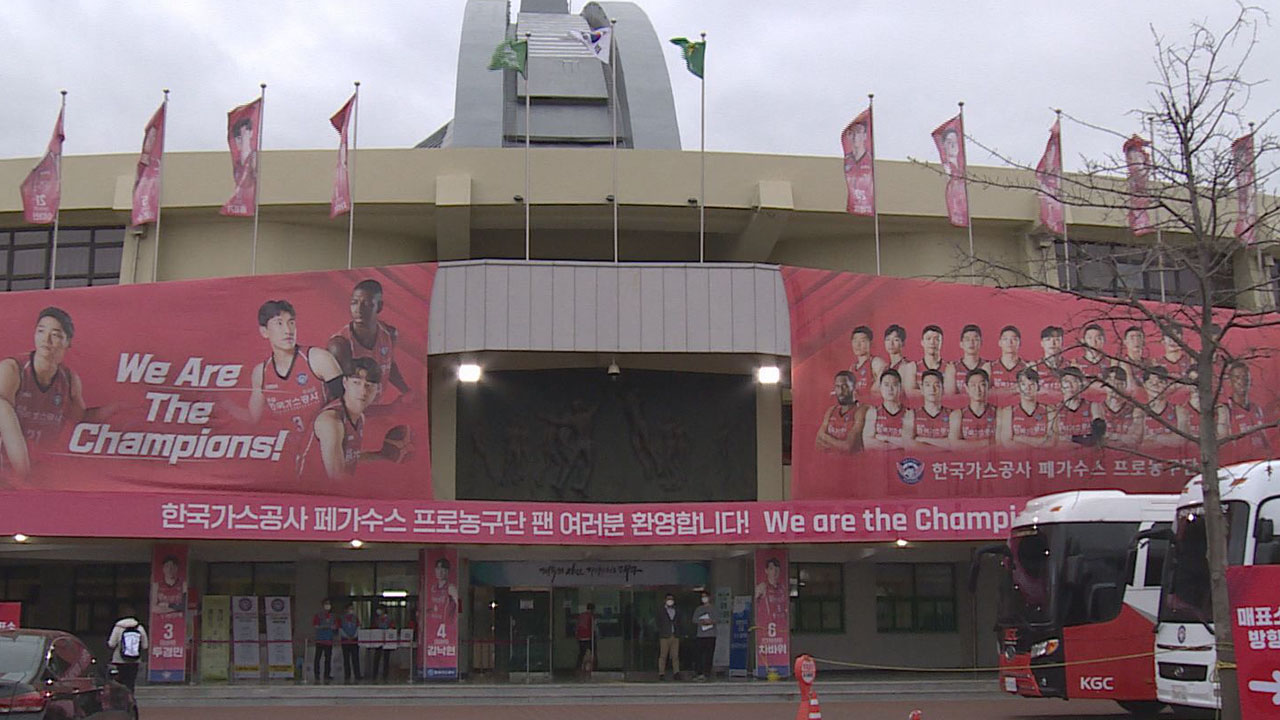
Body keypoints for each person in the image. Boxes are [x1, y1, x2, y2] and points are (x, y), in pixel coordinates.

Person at [247, 300, 342, 470]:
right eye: (279, 323)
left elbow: (349, 407)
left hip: (330, 451)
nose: (287, 330)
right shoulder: (261, 373)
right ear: (264, 332)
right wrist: (225, 406)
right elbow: (252, 420)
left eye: (291, 323)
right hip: (294, 458)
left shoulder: (318, 359)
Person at [0, 307, 87, 477]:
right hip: (10, 469)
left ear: (68, 342)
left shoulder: (69, 380)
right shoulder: (11, 370)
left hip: (43, 467)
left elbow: (81, 419)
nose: (46, 340)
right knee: (2, 406)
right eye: (41, 331)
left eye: (55, 334)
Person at [299, 358, 411, 480]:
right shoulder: (331, 422)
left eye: (369, 385)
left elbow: (349, 457)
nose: (363, 391)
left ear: (377, 389)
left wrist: (382, 455)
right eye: (356, 383)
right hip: (310, 490)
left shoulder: (359, 417)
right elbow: (336, 478)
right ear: (345, 382)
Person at [328, 280, 410, 398]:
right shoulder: (339, 344)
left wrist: (406, 391)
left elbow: (389, 365)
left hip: (377, 403)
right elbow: (341, 394)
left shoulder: (389, 334)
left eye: (366, 304)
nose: (358, 309)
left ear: (379, 306)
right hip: (355, 407)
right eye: (354, 303)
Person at [998, 368, 1053, 449]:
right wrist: (1039, 440)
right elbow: (1007, 442)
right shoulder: (1008, 411)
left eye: (1032, 384)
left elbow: (1051, 443)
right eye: (1023, 384)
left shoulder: (1049, 411)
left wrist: (1019, 438)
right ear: (1018, 388)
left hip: (1042, 456)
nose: (1028, 388)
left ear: (1038, 387)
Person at [1094, 366, 1143, 448]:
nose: (1115, 387)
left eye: (1119, 383)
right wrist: (1122, 438)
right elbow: (1095, 439)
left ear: (1125, 385)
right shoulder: (1097, 407)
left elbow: (1135, 440)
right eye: (1111, 383)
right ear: (1104, 385)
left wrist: (1110, 436)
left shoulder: (1135, 410)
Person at [815, 371, 865, 453]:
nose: (841, 391)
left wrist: (825, 437)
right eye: (837, 386)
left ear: (854, 387)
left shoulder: (861, 410)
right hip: (830, 460)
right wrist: (839, 445)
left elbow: (848, 447)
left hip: (852, 460)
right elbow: (818, 443)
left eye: (845, 386)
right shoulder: (831, 410)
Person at [862, 369, 912, 450]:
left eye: (894, 385)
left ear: (900, 388)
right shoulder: (873, 412)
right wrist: (896, 445)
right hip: (880, 457)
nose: (890, 389)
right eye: (886, 385)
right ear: (880, 388)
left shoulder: (909, 413)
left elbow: (909, 444)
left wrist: (883, 437)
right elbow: (867, 444)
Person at [906, 369, 955, 450]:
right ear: (922, 389)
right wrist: (943, 444)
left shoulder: (952, 414)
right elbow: (909, 444)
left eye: (937, 385)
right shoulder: (912, 414)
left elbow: (953, 444)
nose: (932, 389)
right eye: (928, 385)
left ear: (943, 388)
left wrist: (922, 439)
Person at [1225, 362, 1268, 451]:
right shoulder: (1226, 410)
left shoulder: (1257, 409)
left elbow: (1265, 440)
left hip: (1260, 458)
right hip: (1239, 459)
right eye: (1237, 377)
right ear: (1230, 382)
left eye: (1245, 377)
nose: (1241, 381)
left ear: (1250, 380)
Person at [951, 369, 998, 448]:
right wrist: (984, 443)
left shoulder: (998, 412)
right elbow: (954, 445)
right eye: (973, 385)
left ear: (988, 386)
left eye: (982, 385)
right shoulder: (958, 415)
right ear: (967, 388)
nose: (978, 389)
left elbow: (1000, 442)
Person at [108, 606, 148, 691]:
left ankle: (121, 698)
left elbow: (111, 644)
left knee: (119, 682)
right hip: (135, 660)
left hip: (119, 660)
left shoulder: (118, 628)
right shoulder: (140, 628)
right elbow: (145, 646)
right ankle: (130, 696)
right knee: (130, 682)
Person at [1141, 366, 1181, 448]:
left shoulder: (1178, 410)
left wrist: (1155, 438)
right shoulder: (1139, 411)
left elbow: (1181, 440)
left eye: (1160, 382)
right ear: (1144, 385)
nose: (1156, 386)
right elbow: (1135, 441)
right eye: (1151, 383)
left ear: (1167, 384)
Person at [1055, 368, 1096, 446]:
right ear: (1061, 386)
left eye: (1074, 381)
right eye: (1066, 381)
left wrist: (1071, 439)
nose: (1070, 385)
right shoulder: (1054, 409)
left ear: (1081, 384)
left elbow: (1098, 437)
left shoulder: (1092, 407)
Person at [949, 324, 989, 396]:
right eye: (967, 340)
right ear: (961, 344)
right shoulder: (953, 368)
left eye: (975, 339)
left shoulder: (987, 366)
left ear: (981, 343)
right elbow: (950, 396)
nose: (971, 343)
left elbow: (988, 395)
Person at [905, 325, 945, 395]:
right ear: (922, 342)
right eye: (928, 339)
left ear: (941, 342)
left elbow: (949, 393)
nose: (932, 342)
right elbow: (910, 393)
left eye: (936, 339)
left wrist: (923, 391)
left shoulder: (948, 368)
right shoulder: (913, 367)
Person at [871, 325, 909, 395]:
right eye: (888, 339)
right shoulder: (885, 367)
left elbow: (905, 392)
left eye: (896, 340)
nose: (891, 343)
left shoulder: (906, 366)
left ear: (903, 343)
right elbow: (874, 391)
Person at [988, 325, 1026, 396]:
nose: (1009, 342)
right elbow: (983, 393)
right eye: (1005, 339)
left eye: (1014, 339)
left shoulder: (1027, 367)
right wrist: (1012, 390)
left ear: (1020, 343)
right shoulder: (989, 367)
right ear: (999, 342)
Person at [656, 593, 682, 681]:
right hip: (664, 635)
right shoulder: (661, 610)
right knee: (663, 655)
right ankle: (661, 673)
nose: (670, 601)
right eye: (668, 599)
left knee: (675, 655)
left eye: (671, 599)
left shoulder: (677, 610)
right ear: (665, 600)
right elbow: (658, 622)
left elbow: (679, 622)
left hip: (675, 635)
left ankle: (676, 672)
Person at [1035, 326, 1066, 395]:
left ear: (1062, 343)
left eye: (1057, 339)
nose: (1053, 343)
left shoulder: (1070, 366)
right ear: (1042, 343)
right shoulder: (1034, 367)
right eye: (1048, 339)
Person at [847, 326, 877, 398]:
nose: (858, 345)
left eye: (862, 341)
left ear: (871, 343)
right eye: (855, 341)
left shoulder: (875, 362)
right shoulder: (852, 368)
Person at [312, 599, 337, 684]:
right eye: (326, 604)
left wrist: (333, 628)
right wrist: (325, 626)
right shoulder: (318, 615)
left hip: (329, 639)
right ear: (323, 605)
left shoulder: (333, 616)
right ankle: (317, 674)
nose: (327, 606)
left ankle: (327, 674)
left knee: (328, 658)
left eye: (329, 604)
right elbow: (315, 626)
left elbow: (335, 626)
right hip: (320, 639)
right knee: (317, 658)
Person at [693, 591, 716, 682]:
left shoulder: (713, 609)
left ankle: (707, 673)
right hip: (700, 635)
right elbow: (694, 619)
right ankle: (699, 672)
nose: (704, 598)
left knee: (709, 655)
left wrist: (710, 621)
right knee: (699, 654)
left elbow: (717, 619)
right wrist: (702, 621)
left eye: (705, 596)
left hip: (711, 634)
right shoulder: (699, 609)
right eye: (702, 597)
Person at [369, 606, 395, 683]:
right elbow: (373, 627)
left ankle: (385, 675)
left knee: (386, 659)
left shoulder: (389, 619)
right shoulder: (377, 619)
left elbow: (392, 627)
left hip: (387, 641)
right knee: (376, 658)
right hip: (378, 640)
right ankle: (374, 674)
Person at [338, 602, 362, 683]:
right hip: (345, 641)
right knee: (346, 659)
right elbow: (340, 629)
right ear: (346, 610)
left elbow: (358, 627)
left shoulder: (355, 618)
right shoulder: (341, 618)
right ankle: (347, 675)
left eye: (352, 609)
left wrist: (354, 636)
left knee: (355, 658)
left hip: (354, 640)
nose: (351, 610)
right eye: (350, 609)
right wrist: (347, 637)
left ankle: (357, 675)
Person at [1120, 326, 1148, 392]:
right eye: (1132, 337)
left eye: (1139, 337)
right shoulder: (1120, 363)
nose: (1136, 341)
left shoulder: (1149, 363)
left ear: (1144, 341)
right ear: (1125, 342)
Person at [575, 602, 596, 675]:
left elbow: (577, 626)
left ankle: (579, 668)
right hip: (589, 637)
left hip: (581, 638)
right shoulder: (591, 616)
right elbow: (594, 627)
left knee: (581, 653)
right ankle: (591, 668)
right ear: (592, 609)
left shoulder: (581, 616)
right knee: (592, 653)